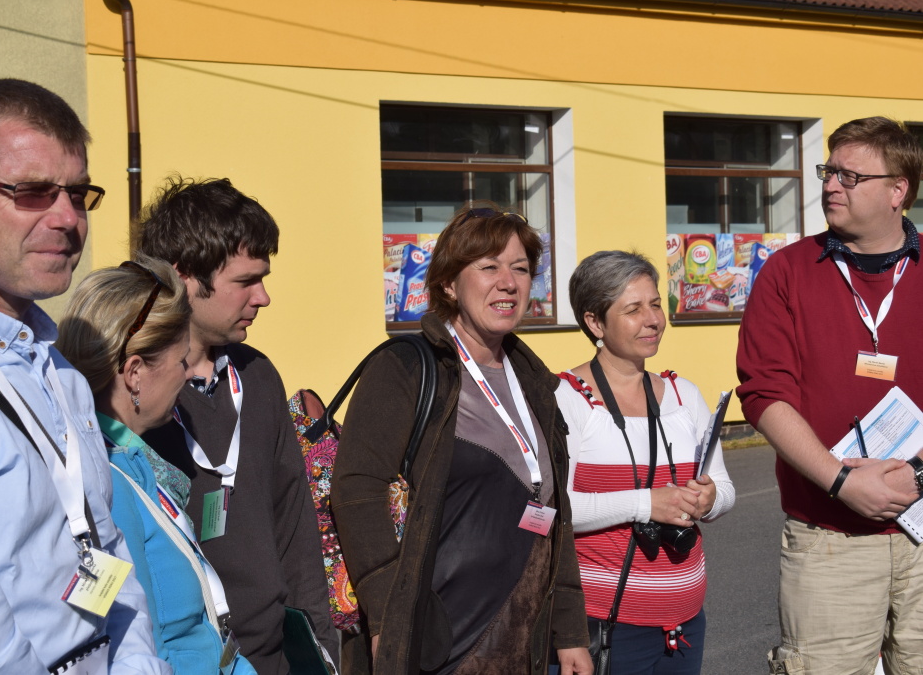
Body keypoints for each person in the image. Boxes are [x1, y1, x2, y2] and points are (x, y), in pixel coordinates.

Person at [0, 78, 168, 673]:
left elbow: (103, 548)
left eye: (77, 194)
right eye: (30, 192)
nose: (67, 219)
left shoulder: (55, 368)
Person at [331, 206, 591, 675]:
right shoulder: (406, 368)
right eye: (489, 267)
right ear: (449, 284)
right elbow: (357, 491)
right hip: (435, 643)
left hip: (523, 643)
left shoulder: (534, 381)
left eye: (520, 269)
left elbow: (557, 514)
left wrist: (570, 633)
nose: (508, 283)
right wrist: (389, 620)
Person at [737, 116, 923, 674]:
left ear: (898, 190)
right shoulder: (786, 272)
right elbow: (765, 393)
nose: (831, 185)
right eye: (828, 171)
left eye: (850, 176)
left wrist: (918, 476)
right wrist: (842, 481)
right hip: (829, 538)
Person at [137, 177, 336, 675]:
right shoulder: (134, 395)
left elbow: (297, 532)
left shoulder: (258, 375)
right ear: (184, 275)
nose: (263, 297)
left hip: (275, 659)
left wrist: (322, 651)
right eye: (246, 281)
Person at [56, 257, 258, 675]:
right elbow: (127, 643)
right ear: (134, 373)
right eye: (182, 360)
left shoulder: (132, 464)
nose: (188, 374)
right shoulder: (107, 485)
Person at [555, 250, 734, 674]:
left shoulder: (684, 393)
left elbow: (725, 489)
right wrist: (645, 504)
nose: (653, 319)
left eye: (655, 304)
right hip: (603, 626)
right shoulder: (567, 398)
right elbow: (556, 508)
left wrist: (709, 499)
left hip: (685, 624)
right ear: (595, 322)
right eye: (633, 309)